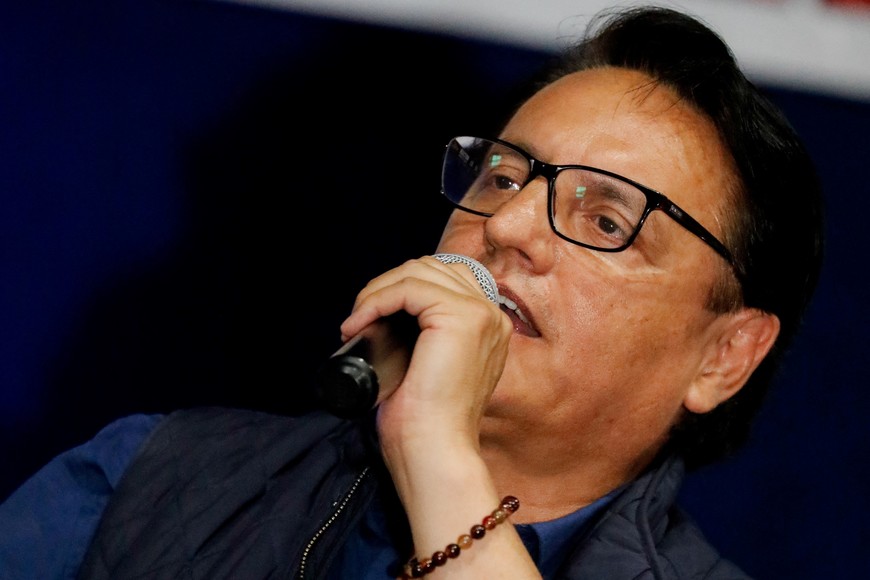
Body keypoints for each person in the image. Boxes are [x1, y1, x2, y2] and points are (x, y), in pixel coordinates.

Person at [0, 5, 824, 579]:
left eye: (606, 221)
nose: (507, 228)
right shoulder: (151, 477)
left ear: (724, 357)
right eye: (503, 175)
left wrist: (438, 453)